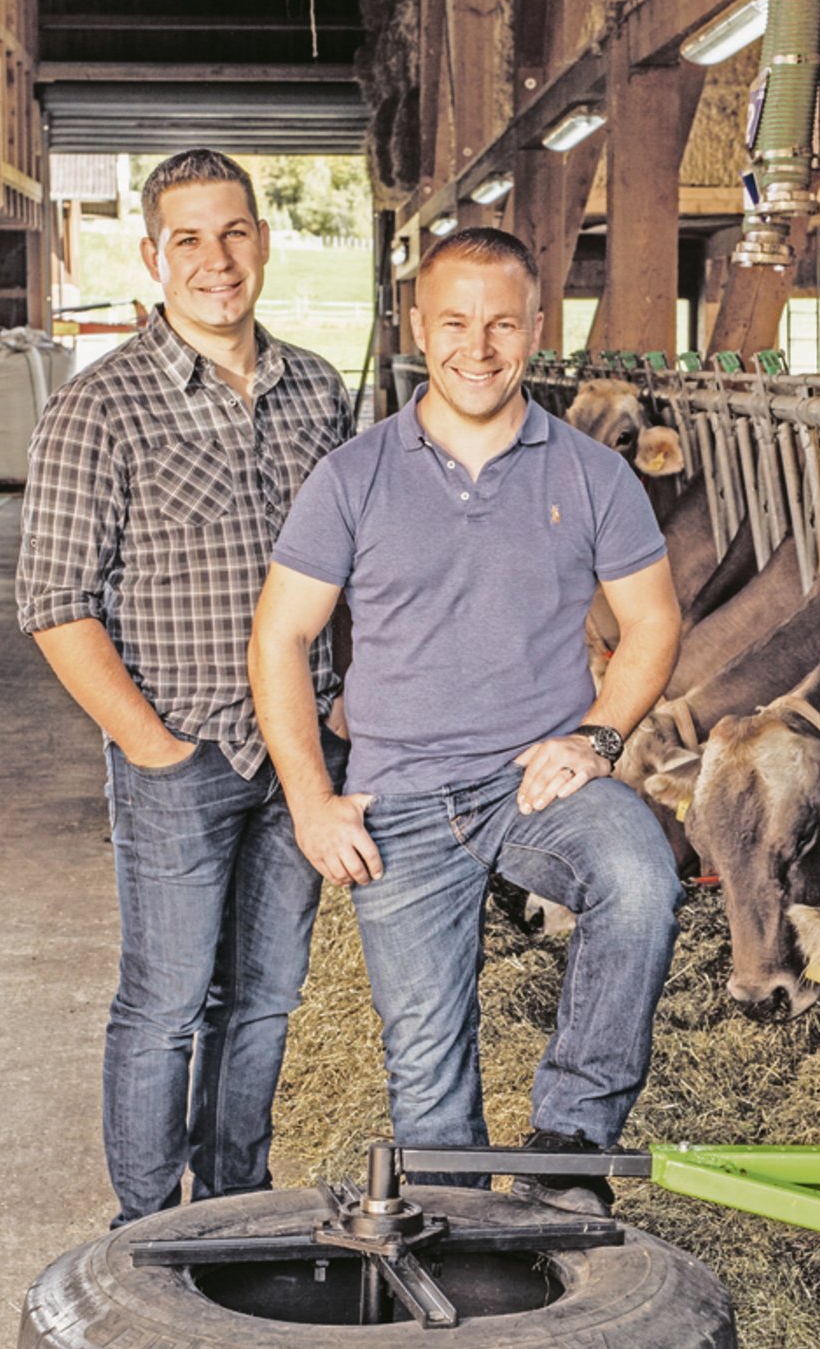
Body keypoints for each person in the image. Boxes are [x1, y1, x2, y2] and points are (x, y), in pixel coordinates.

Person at [248, 227, 682, 1216]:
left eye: (501, 325)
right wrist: (312, 802)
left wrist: (597, 737)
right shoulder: (352, 476)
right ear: (418, 326)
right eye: (454, 323)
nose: (477, 349)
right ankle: (461, 1232)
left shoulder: (591, 474)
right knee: (426, 1070)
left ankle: (570, 1145)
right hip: (395, 799)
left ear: (537, 327)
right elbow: (280, 638)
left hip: (537, 778)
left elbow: (653, 622)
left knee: (637, 875)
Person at [16, 147, 353, 1225]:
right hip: (183, 753)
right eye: (190, 240)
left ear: (264, 240)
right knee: (164, 1004)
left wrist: (346, 701)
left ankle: (234, 1210)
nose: (218, 260)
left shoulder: (317, 390)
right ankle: (148, 1229)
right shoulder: (99, 408)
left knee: (264, 1000)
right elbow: (54, 602)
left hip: (303, 758)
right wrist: (149, 744)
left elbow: (359, 563)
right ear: (154, 257)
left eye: (235, 232)